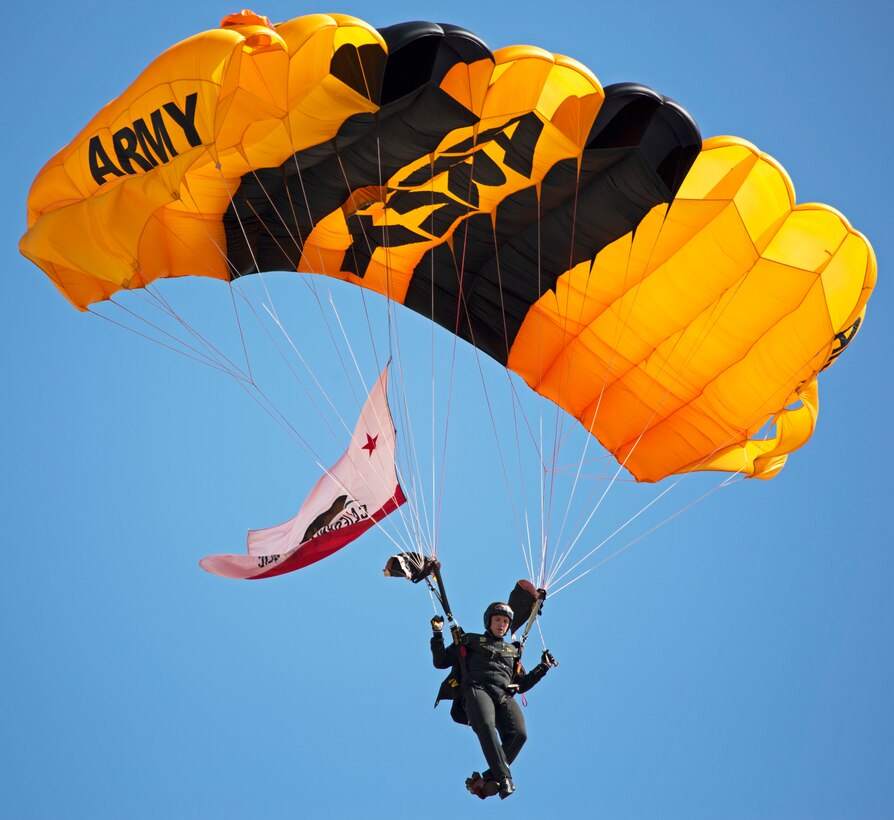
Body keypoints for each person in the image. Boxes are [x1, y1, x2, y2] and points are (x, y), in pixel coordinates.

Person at [430, 602, 556, 799]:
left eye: (505, 621)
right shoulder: (470, 640)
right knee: (486, 726)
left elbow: (521, 684)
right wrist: (437, 635)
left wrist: (542, 668)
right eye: (497, 620)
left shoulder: (512, 652)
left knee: (519, 735)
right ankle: (505, 778)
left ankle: (488, 778)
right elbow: (441, 661)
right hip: (476, 689)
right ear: (488, 622)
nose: (501, 624)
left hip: (502, 694)